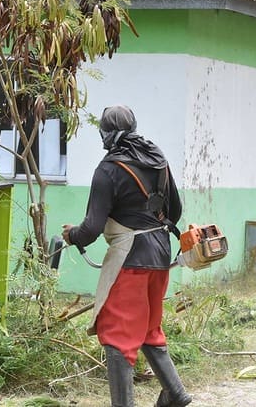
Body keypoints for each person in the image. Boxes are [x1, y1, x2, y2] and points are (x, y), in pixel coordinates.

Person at [62, 105, 191, 407]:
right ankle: (175, 394)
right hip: (160, 255)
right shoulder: (158, 160)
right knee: (148, 329)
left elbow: (92, 228)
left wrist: (72, 235)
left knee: (118, 336)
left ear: (105, 134)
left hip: (129, 259)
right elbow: (175, 211)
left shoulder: (108, 169)